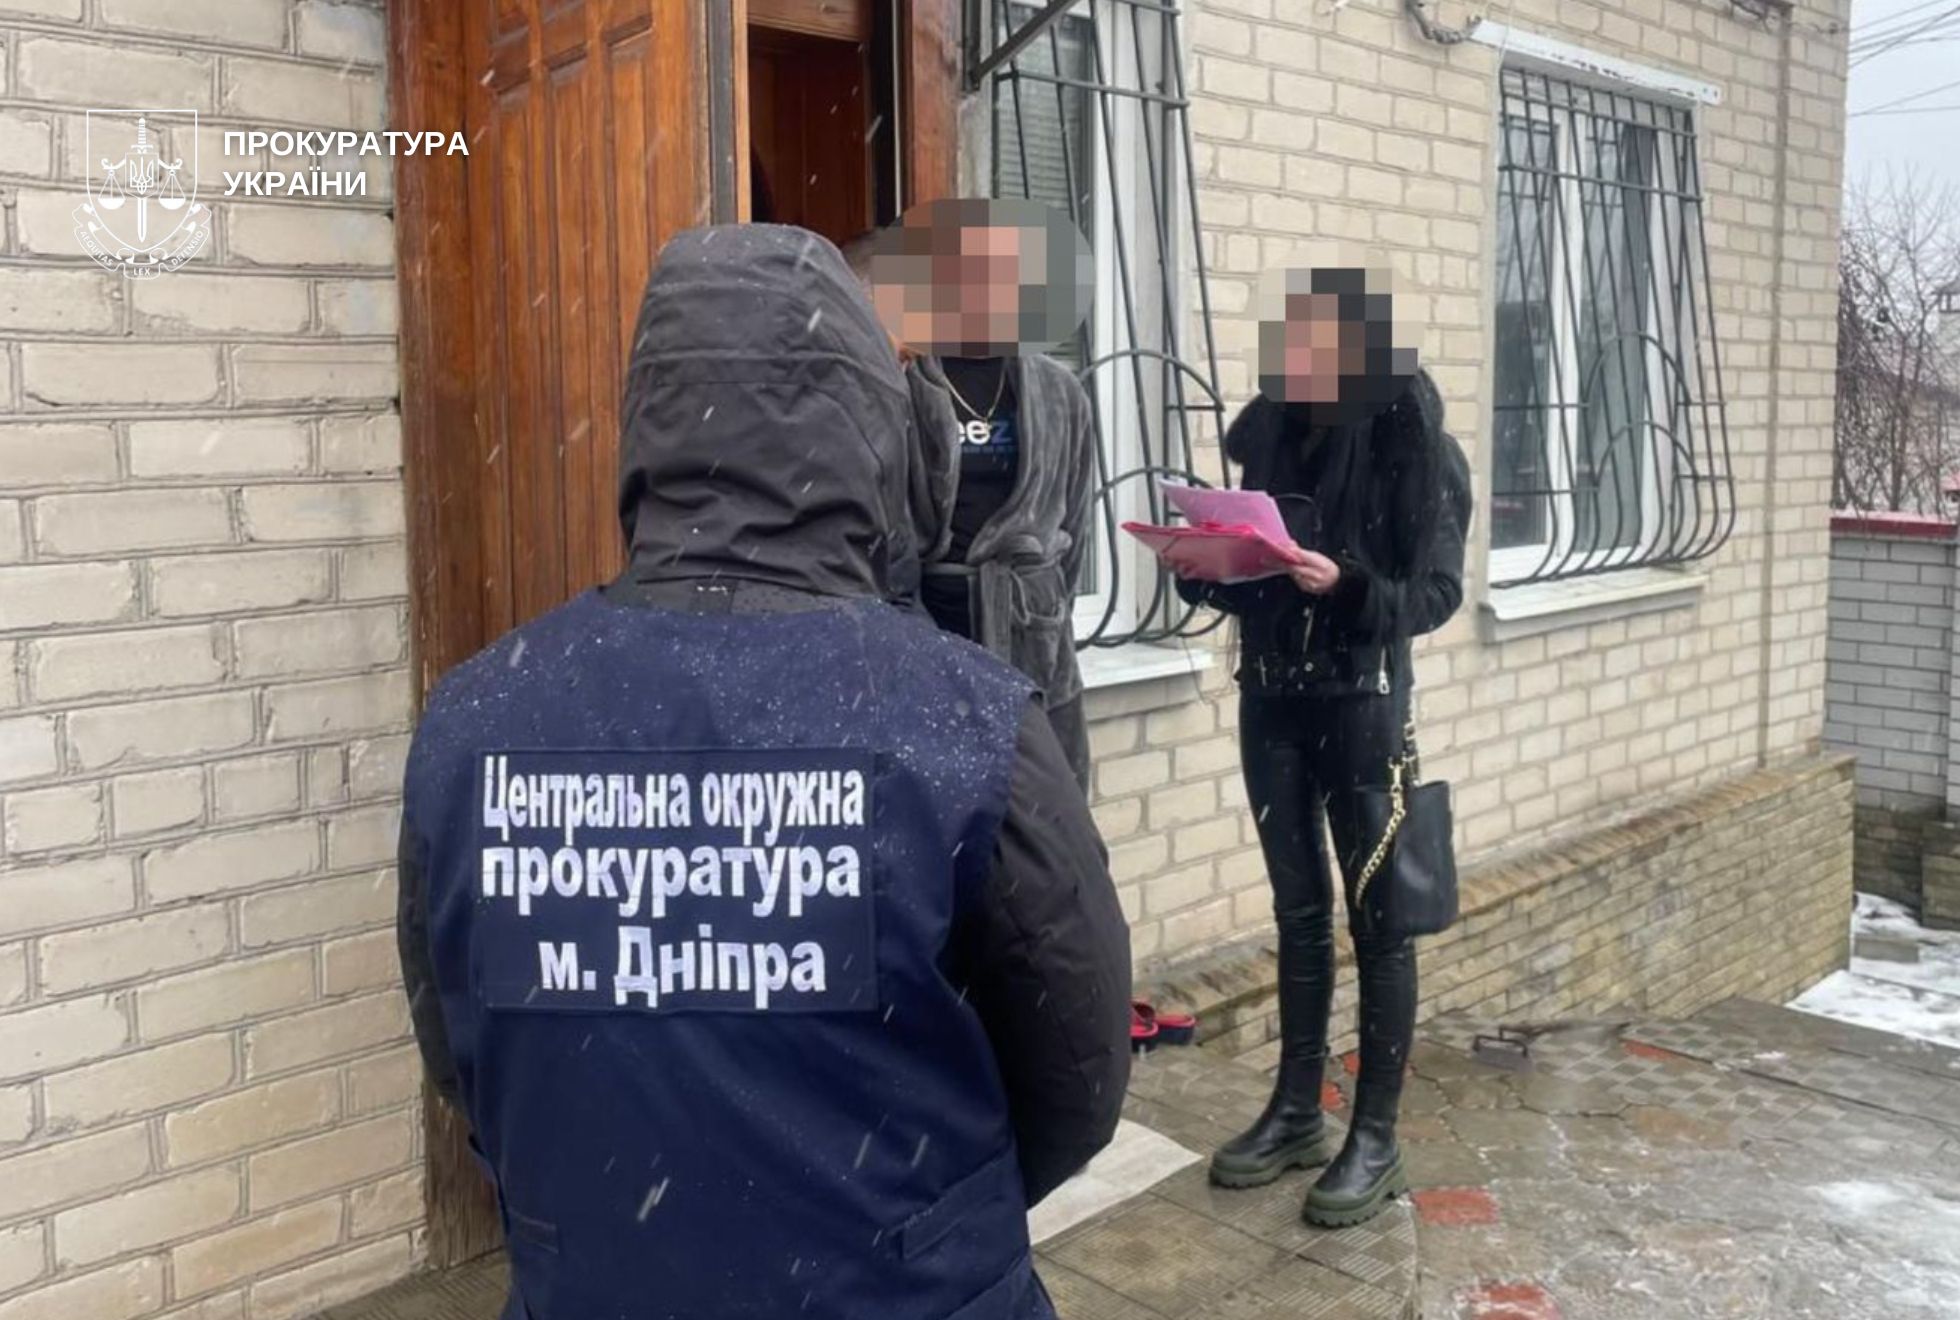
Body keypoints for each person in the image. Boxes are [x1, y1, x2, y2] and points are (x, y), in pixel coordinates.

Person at [396, 224, 1131, 1320]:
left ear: (646, 428)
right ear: (871, 432)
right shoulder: (965, 720)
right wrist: (923, 1217)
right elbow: (1079, 1073)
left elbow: (459, 1056)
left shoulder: (474, 721)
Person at [1173, 266, 1471, 1229]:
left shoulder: (1417, 446)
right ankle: (1296, 1112)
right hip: (1271, 698)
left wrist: (1345, 585)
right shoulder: (1270, 435)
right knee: (1298, 911)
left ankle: (1374, 1136)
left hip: (1364, 706)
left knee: (1380, 922)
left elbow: (1435, 596)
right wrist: (1205, 569)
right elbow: (1258, 567)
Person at [848, 201, 1098, 792]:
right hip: (930, 631)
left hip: (1035, 645)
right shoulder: (903, 376)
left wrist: (1040, 610)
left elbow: (1074, 530)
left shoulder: (1059, 392)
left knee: (1048, 819)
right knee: (941, 814)